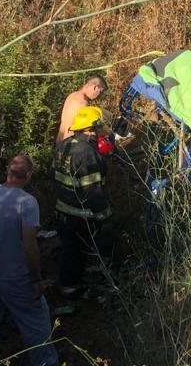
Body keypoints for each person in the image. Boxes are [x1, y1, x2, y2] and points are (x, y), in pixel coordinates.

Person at [0, 154, 59, 366]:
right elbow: (30, 247)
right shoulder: (26, 203)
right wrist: (36, 279)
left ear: (8, 170)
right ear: (28, 175)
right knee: (36, 322)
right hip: (15, 277)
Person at [53, 105, 116, 313]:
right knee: (83, 250)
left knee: (70, 249)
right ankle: (77, 289)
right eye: (99, 128)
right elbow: (92, 192)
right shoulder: (88, 153)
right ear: (92, 128)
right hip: (80, 215)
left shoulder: (63, 145)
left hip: (62, 209)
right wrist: (105, 217)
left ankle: (69, 285)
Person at [56, 74, 107, 143]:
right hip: (69, 145)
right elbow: (85, 131)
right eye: (100, 92)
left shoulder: (73, 95)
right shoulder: (82, 103)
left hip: (60, 142)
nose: (100, 96)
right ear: (95, 88)